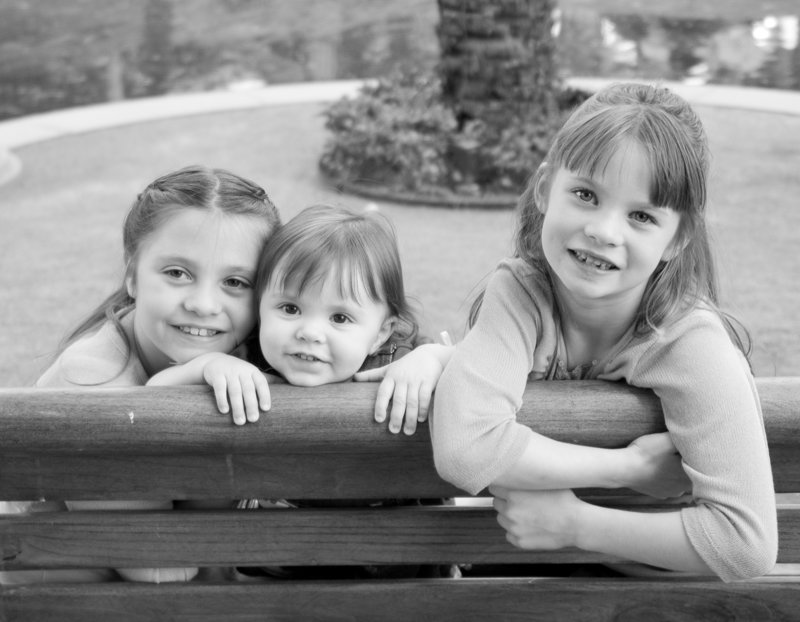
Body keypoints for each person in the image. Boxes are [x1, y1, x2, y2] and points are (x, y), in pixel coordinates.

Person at [430, 82, 777, 582]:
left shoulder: (691, 342)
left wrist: (576, 524)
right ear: (545, 189)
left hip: (654, 604)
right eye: (586, 195)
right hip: (523, 587)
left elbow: (745, 545)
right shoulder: (521, 294)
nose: (604, 231)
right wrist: (628, 469)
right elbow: (465, 449)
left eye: (641, 216)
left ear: (678, 238)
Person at [0, 165, 281, 585]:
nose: (204, 304)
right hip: (77, 605)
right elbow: (161, 569)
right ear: (132, 275)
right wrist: (193, 379)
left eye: (236, 281)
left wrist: (396, 367)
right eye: (177, 273)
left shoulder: (260, 348)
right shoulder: (88, 383)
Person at [156, 203, 454, 579]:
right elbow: (154, 395)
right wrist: (207, 366)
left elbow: (476, 374)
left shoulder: (402, 364)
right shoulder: (245, 364)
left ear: (381, 332)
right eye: (290, 308)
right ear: (260, 307)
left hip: (402, 577)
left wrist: (435, 358)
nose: (310, 332)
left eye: (340, 317)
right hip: (280, 577)